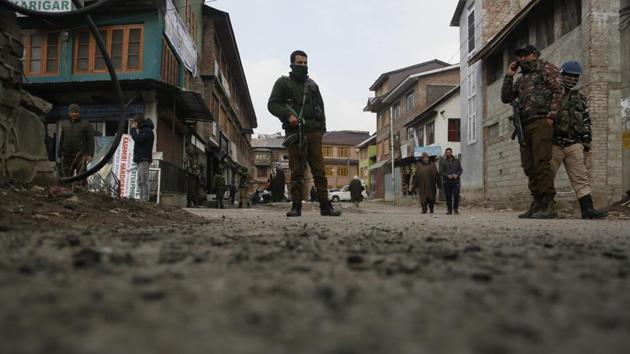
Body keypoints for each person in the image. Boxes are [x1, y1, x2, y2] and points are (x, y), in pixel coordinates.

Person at [268, 50, 341, 217]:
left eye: (305, 63)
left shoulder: (313, 85)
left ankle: (325, 206)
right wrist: (288, 115)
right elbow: (272, 104)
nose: (303, 66)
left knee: (319, 171)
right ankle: (296, 206)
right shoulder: (283, 83)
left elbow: (321, 109)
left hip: (314, 132)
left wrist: (321, 130)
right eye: (299, 63)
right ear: (292, 64)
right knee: (296, 171)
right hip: (295, 132)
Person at [501, 44, 563, 219]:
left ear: (535, 54)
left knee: (541, 163)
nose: (522, 58)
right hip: (525, 125)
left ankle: (549, 204)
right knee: (528, 165)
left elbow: (559, 91)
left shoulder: (546, 68)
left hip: (541, 121)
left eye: (526, 55)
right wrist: (508, 76)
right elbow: (506, 98)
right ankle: (537, 202)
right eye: (519, 56)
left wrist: (551, 116)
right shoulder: (521, 79)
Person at [551, 61, 607, 219]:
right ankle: (545, 208)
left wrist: (586, 144)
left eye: (574, 76)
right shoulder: (552, 95)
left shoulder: (580, 99)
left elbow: (586, 121)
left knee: (581, 178)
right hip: (553, 144)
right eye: (568, 75)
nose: (571, 79)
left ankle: (587, 209)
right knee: (546, 178)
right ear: (561, 75)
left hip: (574, 144)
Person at [58, 103, 94, 181]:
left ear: (79, 113)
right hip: (66, 155)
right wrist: (59, 154)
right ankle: (66, 191)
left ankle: (82, 192)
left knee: (81, 178)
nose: (74, 114)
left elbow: (90, 140)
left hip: (80, 156)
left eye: (76, 112)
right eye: (72, 112)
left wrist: (90, 154)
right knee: (65, 178)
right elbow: (61, 139)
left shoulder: (86, 124)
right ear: (69, 113)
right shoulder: (64, 124)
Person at [130, 116, 154, 202]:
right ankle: (141, 198)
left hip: (144, 158)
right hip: (140, 158)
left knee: (144, 179)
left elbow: (137, 139)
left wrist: (132, 129)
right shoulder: (143, 131)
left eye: (134, 123)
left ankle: (145, 199)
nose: (133, 124)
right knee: (140, 180)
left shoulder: (148, 131)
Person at [439, 148, 463, 215]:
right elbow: (441, 172)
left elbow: (460, 170)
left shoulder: (457, 160)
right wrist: (447, 176)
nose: (449, 153)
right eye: (447, 152)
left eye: (450, 152)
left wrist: (457, 175)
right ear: (446, 153)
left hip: (455, 181)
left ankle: (455, 209)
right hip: (447, 181)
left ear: (452, 152)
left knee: (456, 195)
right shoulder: (443, 161)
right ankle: (449, 210)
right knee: (448, 196)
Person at [184, 142, 200, 208]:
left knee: (194, 190)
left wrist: (198, 174)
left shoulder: (194, 158)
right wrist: (194, 173)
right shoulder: (187, 158)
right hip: (191, 175)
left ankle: (192, 203)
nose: (192, 151)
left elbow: (197, 166)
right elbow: (187, 168)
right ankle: (191, 203)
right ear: (188, 151)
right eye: (190, 150)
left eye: (192, 150)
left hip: (195, 176)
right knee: (191, 190)